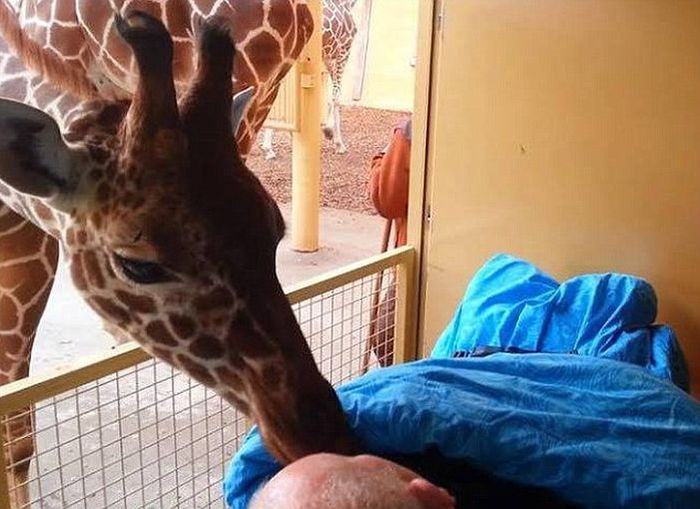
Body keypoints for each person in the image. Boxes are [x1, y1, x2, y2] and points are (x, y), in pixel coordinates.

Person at [224, 254, 700, 509]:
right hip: (577, 379)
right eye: (372, 461)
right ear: (430, 493)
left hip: (484, 367)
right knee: (624, 299)